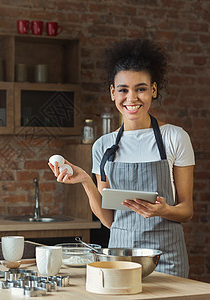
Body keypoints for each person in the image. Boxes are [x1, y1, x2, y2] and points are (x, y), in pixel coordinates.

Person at [49, 38, 194, 278]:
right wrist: (85, 180)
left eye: (141, 88)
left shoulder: (175, 138)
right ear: (112, 92)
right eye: (123, 89)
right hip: (119, 259)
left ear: (153, 90)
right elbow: (108, 220)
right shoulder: (103, 146)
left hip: (166, 259)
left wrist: (164, 210)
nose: (132, 98)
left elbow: (186, 210)